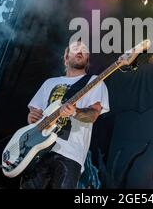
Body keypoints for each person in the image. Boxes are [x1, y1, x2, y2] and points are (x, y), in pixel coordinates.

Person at [20, 41, 109, 189]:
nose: (80, 51)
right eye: (75, 49)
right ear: (66, 58)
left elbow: (93, 115)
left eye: (84, 50)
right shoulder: (50, 83)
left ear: (88, 59)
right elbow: (34, 114)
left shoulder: (95, 82)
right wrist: (31, 117)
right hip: (37, 150)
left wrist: (75, 111)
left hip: (70, 153)